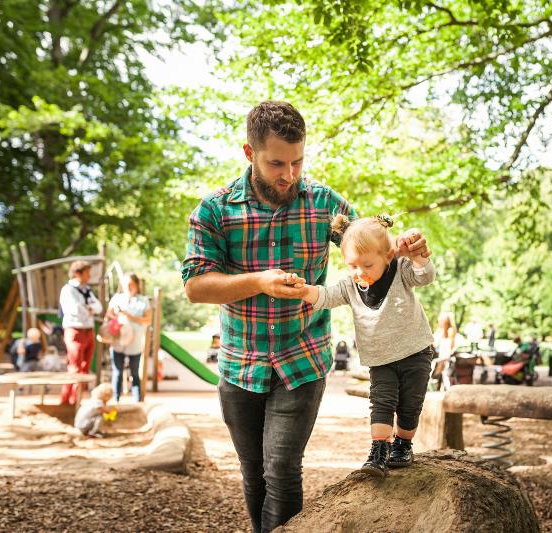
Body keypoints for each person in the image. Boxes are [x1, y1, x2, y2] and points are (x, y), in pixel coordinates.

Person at [181, 101, 430, 533]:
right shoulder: (215, 211)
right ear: (249, 153)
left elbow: (367, 247)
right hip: (241, 364)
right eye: (277, 163)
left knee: (281, 469)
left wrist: (403, 249)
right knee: (254, 471)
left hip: (303, 359)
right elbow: (196, 285)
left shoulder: (324, 206)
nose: (289, 174)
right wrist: (258, 281)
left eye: (297, 162)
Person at [293, 214, 435, 476]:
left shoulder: (401, 269)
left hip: (415, 353)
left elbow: (424, 276)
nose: (360, 273)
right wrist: (303, 291)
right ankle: (379, 449)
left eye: (367, 265)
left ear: (387, 256)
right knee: (381, 401)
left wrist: (419, 256)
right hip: (380, 359)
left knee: (410, 404)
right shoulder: (350, 286)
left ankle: (403, 444)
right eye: (352, 266)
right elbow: (326, 296)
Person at [59, 260, 103, 405]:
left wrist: (88, 308)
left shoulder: (87, 290)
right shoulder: (68, 290)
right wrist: (89, 309)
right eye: (87, 273)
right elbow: (74, 310)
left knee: (85, 367)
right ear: (78, 273)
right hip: (74, 330)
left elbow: (99, 307)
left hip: (88, 330)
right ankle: (66, 401)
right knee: (74, 367)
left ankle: (76, 399)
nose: (89, 276)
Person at [105, 273, 151, 403]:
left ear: (136, 285)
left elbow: (148, 320)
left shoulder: (143, 300)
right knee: (117, 372)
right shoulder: (117, 298)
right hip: (118, 341)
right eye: (126, 285)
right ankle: (116, 400)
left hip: (135, 343)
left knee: (134, 373)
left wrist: (131, 317)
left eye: (131, 284)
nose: (128, 287)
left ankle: (137, 402)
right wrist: (115, 316)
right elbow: (108, 314)